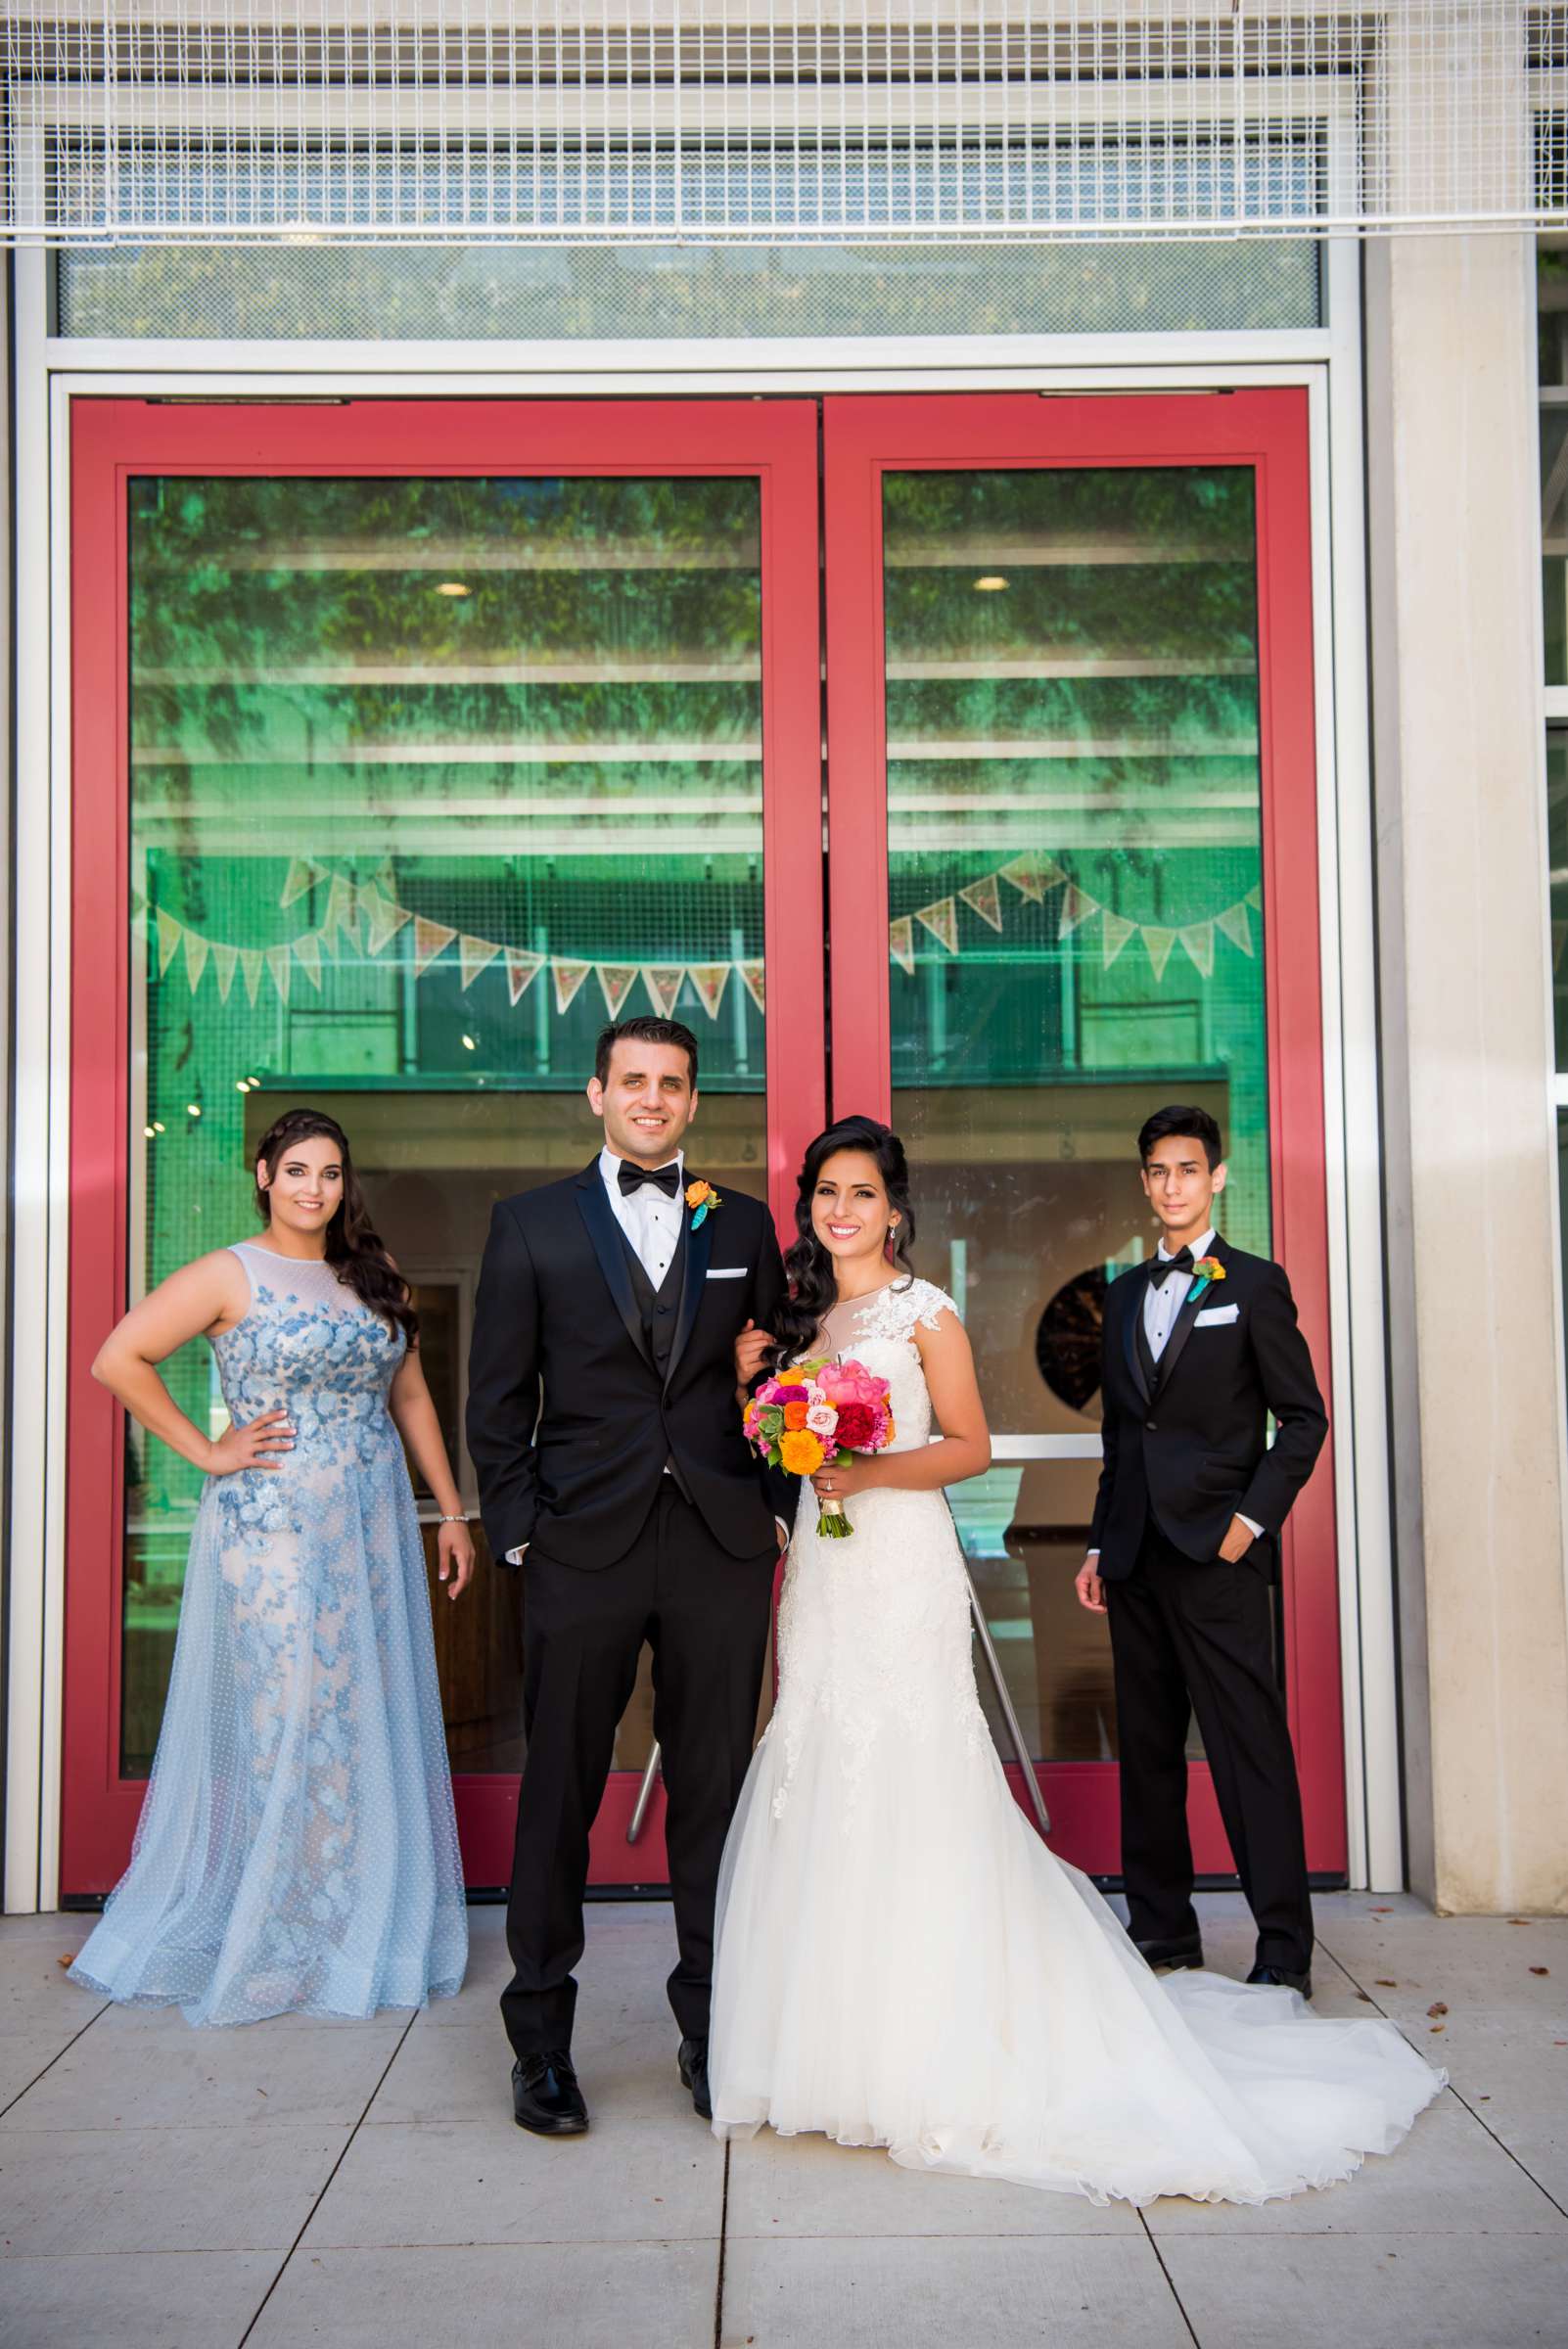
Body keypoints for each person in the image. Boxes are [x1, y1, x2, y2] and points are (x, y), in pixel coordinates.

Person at [710, 1115, 1440, 2205]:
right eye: (826, 1192)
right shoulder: (807, 1319)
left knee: (928, 1760)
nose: (842, 1209)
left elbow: (971, 1446)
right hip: (829, 1568)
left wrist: (866, 1475)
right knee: (823, 1753)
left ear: (895, 1207)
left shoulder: (927, 1313)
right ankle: (834, 2037)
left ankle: (1240, 1950)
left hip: (902, 1558)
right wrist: (761, 1399)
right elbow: (780, 1441)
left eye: (861, 1192)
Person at [70, 1108, 470, 2026]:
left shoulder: (371, 1274)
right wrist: (206, 1451)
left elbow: (408, 1390)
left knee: (361, 1713)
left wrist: (447, 1510)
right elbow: (116, 1357)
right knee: (291, 1720)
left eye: (329, 1173)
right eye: (296, 1170)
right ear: (263, 1174)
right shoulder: (228, 1271)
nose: (313, 1189)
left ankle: (348, 1921)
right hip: (273, 1532)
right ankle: (283, 1928)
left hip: (367, 1524)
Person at [466, 1015, 789, 2139]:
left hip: (718, 1544)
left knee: (713, 1795)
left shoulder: (743, 1222)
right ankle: (540, 2047)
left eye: (675, 1084)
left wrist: (778, 1508)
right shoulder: (529, 1226)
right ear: (597, 1093)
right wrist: (523, 1535)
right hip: (579, 1548)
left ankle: (712, 2035)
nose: (654, 1098)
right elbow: (497, 1404)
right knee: (558, 1795)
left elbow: (781, 1378)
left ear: (696, 1102)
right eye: (634, 1081)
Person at [1076, 1105, 1326, 1995]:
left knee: (1246, 1748)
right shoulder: (1122, 1294)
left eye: (1187, 1169)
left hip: (1217, 1556)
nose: (1171, 1184)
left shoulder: (1255, 1286)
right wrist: (1103, 1544)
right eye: (1156, 1171)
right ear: (1144, 1182)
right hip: (1137, 1556)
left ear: (1215, 1177)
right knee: (1147, 1754)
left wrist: (1248, 1525)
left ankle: (1285, 1950)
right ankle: (1163, 1932)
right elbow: (1122, 1435)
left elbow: (1303, 1420)